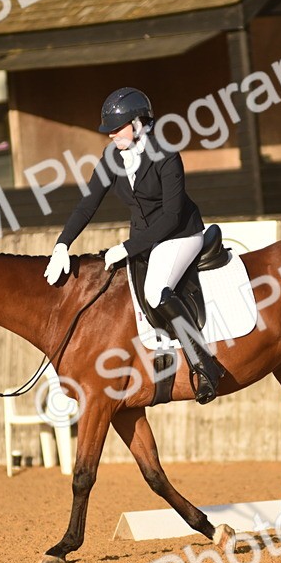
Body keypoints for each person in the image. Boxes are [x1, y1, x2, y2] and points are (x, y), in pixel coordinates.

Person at [43, 87, 223, 404]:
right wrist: (62, 244)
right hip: (143, 238)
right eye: (108, 130)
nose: (111, 135)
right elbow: (87, 205)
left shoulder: (166, 154)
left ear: (139, 123)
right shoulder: (112, 157)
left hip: (180, 234)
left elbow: (171, 215)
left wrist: (128, 247)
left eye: (117, 128)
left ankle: (204, 364)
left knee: (155, 290)